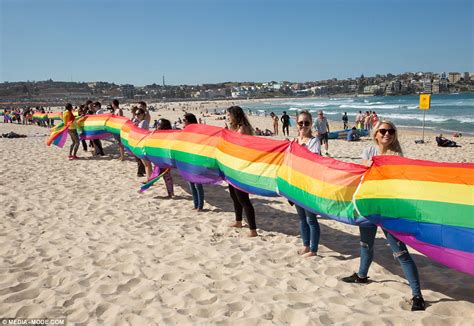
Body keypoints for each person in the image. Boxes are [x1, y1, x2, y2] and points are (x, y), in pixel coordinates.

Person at [341, 120, 425, 311]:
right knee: (365, 245)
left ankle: (417, 295)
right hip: (369, 206)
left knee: (400, 253)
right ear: (376, 134)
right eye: (383, 131)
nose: (387, 134)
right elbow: (360, 172)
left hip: (389, 210)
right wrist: (368, 165)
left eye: (390, 131)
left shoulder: (397, 156)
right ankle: (362, 276)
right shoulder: (369, 151)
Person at [226, 106, 258, 237]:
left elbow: (243, 148)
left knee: (243, 199)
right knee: (234, 195)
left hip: (241, 167)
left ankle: (253, 230)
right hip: (233, 166)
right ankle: (238, 221)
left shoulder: (243, 129)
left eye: (229, 115)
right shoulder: (235, 128)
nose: (227, 117)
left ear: (235, 115)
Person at [293, 110, 321, 257]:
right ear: (296, 124)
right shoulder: (294, 141)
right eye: (301, 123)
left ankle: (313, 249)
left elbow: (314, 161)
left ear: (311, 124)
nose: (303, 125)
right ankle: (306, 245)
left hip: (309, 185)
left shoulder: (314, 141)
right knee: (302, 218)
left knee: (311, 218)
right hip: (296, 184)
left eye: (307, 123)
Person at [183, 113, 205, 211]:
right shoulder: (185, 131)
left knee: (197, 184)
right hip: (187, 159)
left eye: (184, 120)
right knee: (191, 183)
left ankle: (200, 206)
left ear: (189, 121)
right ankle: (195, 204)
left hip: (195, 159)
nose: (183, 122)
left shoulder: (197, 131)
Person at [155, 118, 174, 198]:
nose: (157, 126)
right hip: (160, 158)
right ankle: (170, 192)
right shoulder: (157, 134)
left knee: (166, 175)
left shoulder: (168, 135)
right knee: (164, 175)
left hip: (166, 158)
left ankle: (170, 193)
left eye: (159, 124)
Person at [134, 103, 152, 180]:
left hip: (143, 143)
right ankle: (148, 178)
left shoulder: (144, 122)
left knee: (147, 164)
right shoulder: (140, 122)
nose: (137, 115)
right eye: (136, 114)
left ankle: (149, 179)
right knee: (145, 164)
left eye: (138, 114)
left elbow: (140, 132)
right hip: (140, 143)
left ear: (143, 114)